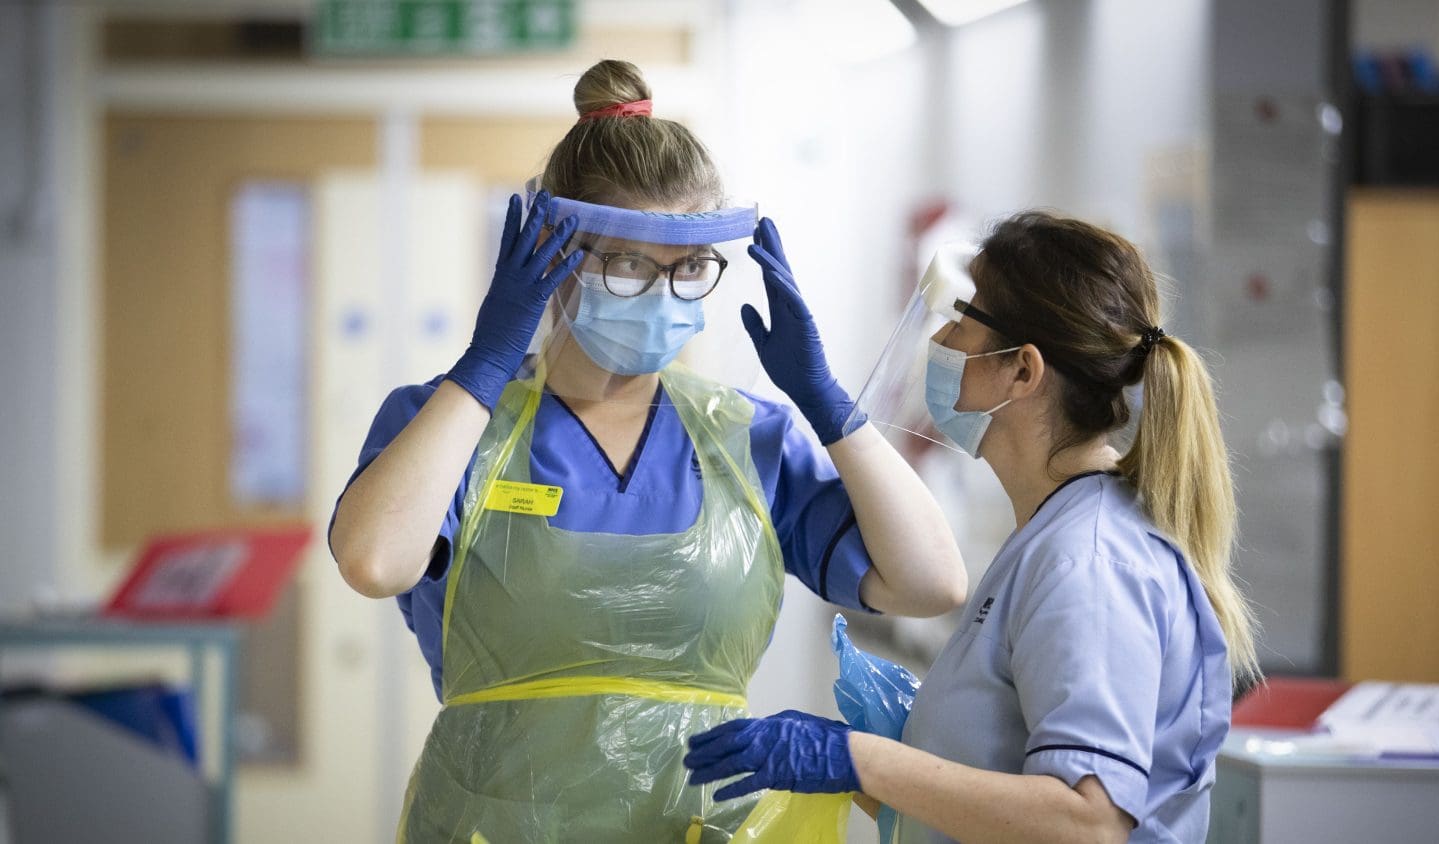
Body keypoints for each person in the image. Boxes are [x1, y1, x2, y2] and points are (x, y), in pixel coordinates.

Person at [327, 59, 967, 842]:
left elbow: (931, 582)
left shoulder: (748, 440)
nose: (664, 293)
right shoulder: (449, 427)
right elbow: (374, 562)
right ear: (553, 257)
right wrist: (486, 363)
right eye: (629, 263)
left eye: (689, 267)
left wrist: (829, 405)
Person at [685, 211, 1258, 843]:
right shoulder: (1054, 535)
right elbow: (996, 804)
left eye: (960, 319)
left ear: (1023, 371)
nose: (941, 339)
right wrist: (864, 771)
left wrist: (862, 760)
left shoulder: (1088, 561)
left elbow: (1088, 822)